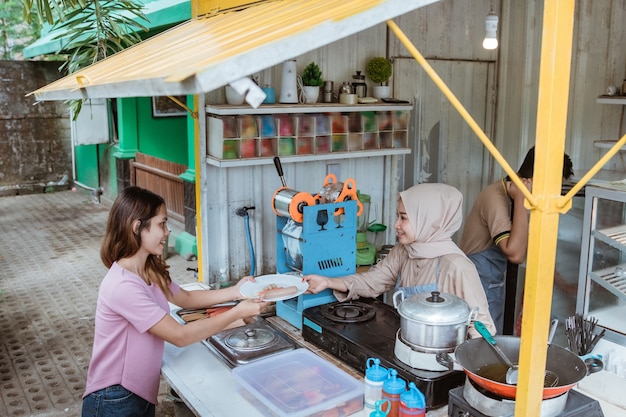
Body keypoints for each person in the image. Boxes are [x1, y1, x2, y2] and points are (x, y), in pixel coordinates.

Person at [81, 186, 267, 417]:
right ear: (137, 227)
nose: (168, 231)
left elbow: (186, 298)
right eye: (162, 224)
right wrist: (237, 313)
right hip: (114, 396)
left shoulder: (147, 270)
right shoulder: (122, 286)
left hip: (136, 391)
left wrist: (236, 291)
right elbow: (180, 336)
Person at [304, 182, 496, 337]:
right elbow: (372, 281)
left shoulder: (456, 266)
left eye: (404, 217)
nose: (396, 224)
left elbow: (481, 326)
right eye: (398, 216)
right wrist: (328, 282)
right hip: (406, 345)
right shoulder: (404, 251)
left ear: (430, 220)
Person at [459, 146, 574, 334]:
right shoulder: (496, 197)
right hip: (477, 283)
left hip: (493, 283)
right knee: (481, 343)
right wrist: (521, 199)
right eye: (551, 186)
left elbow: (533, 249)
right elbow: (516, 254)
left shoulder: (525, 200)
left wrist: (564, 285)